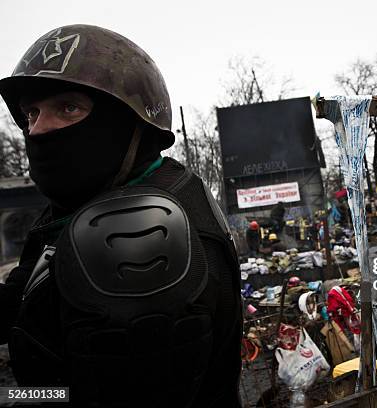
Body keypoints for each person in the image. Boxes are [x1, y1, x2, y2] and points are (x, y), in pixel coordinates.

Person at [0, 25, 242, 407]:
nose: (38, 128)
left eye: (68, 107)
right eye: (31, 112)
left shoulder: (137, 236)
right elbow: (24, 288)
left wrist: (10, 397)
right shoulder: (98, 199)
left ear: (129, 124)